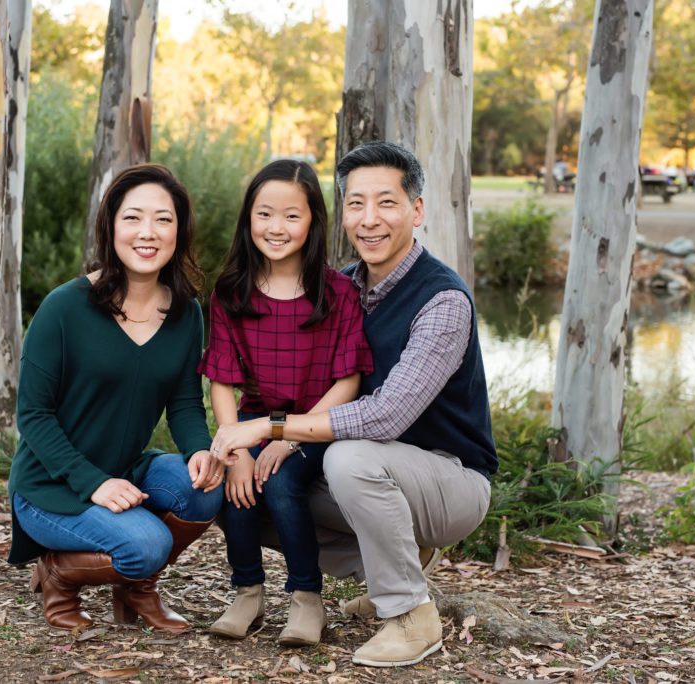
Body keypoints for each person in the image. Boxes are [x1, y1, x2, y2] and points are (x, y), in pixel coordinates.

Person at [210, 141, 498, 668]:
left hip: (450, 478)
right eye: (356, 204)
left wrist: (270, 429)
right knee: (247, 490)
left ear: (417, 209)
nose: (370, 220)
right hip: (376, 476)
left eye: (386, 203)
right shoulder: (340, 288)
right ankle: (401, 563)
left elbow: (385, 416)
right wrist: (250, 445)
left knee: (349, 457)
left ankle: (411, 614)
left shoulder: (441, 301)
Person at [7, 164, 224, 634]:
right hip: (52, 485)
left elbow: (185, 401)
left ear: (179, 230)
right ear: (111, 227)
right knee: (147, 545)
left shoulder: (186, 313)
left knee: (204, 490)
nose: (148, 233)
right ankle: (58, 575)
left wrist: (200, 450)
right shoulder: (64, 307)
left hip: (125, 467)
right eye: (133, 218)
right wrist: (93, 483)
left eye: (163, 219)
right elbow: (33, 415)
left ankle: (134, 590)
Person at [199, 159, 372, 646]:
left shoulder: (338, 291)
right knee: (236, 481)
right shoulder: (231, 292)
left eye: (292, 216)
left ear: (314, 220)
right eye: (265, 214)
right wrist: (233, 447)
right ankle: (247, 592)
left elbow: (349, 380)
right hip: (254, 418)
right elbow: (221, 382)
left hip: (319, 419)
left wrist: (287, 436)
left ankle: (305, 599)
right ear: (248, 218)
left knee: (279, 482)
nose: (277, 228)